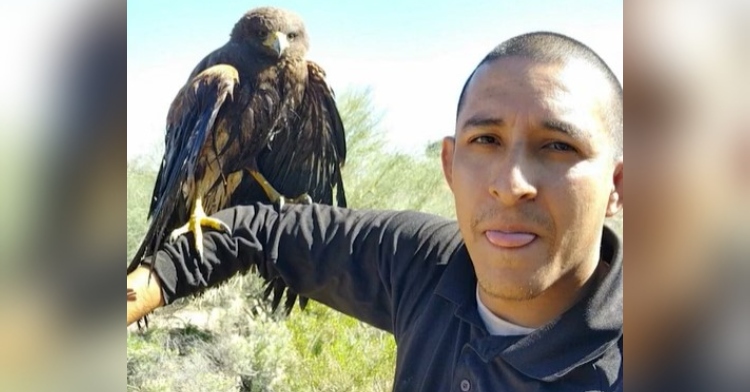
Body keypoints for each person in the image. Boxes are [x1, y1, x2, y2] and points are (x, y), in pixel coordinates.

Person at [128, 31, 624, 391]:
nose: (511, 185)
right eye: (487, 140)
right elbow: (255, 230)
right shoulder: (424, 265)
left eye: (558, 147)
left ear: (620, 186)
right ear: (449, 165)